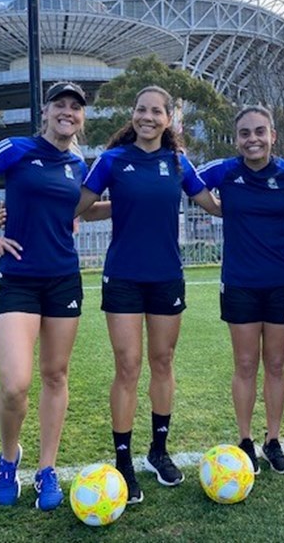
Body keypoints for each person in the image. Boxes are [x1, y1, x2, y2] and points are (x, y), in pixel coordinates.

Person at [0, 81, 100, 511]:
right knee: (15, 384)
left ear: (81, 118)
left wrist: (139, 205)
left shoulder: (79, 162)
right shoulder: (16, 148)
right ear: (46, 113)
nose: (68, 112)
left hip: (64, 280)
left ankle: (47, 468)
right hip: (19, 280)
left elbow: (80, 210)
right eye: (60, 105)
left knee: (56, 375)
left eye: (76, 107)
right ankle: (8, 458)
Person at [75, 85, 220, 504]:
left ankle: (158, 450)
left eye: (157, 111)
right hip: (122, 277)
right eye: (142, 110)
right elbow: (79, 206)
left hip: (166, 278)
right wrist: (20, 212)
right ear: (133, 115)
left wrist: (275, 194)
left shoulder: (177, 162)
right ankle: (123, 462)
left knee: (162, 361)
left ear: (169, 119)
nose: (148, 117)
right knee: (128, 366)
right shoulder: (112, 160)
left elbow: (212, 205)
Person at [197, 105, 284, 475]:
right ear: (236, 139)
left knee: (276, 364)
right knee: (245, 364)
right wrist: (215, 207)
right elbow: (182, 180)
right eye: (245, 133)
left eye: (260, 132)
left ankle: (273, 441)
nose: (252, 139)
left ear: (273, 135)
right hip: (240, 284)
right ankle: (245, 442)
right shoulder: (224, 171)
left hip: (281, 284)